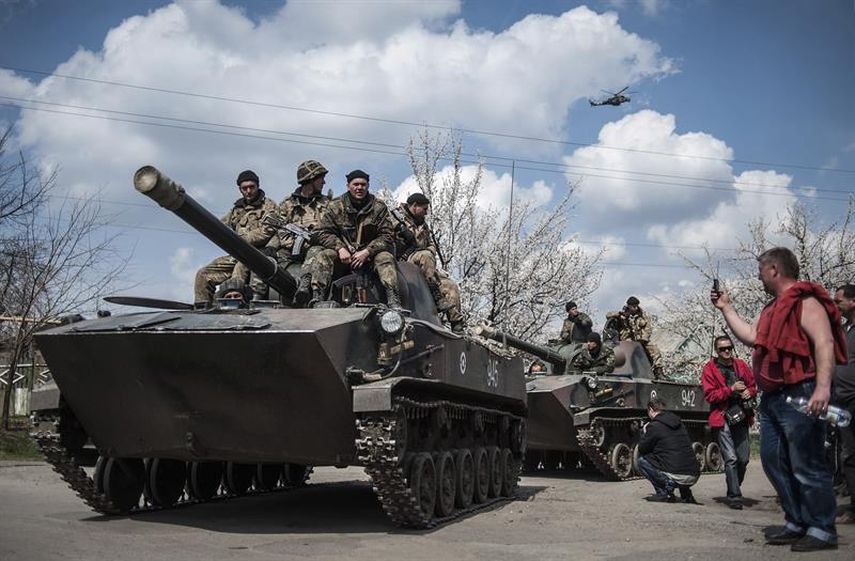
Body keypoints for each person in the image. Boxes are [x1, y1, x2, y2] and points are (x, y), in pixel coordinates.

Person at [711, 247, 848, 552]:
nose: (759, 277)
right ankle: (797, 521)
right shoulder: (772, 308)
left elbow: (824, 342)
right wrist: (726, 308)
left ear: (774, 269)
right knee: (773, 460)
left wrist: (822, 388)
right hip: (773, 397)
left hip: (801, 391)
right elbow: (752, 336)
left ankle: (822, 528)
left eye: (761, 271)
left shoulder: (805, 302)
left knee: (806, 462)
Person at [312, 170, 400, 307]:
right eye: (356, 184)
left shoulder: (378, 207)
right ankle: (317, 297)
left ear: (368, 186)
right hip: (343, 255)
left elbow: (387, 234)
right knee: (324, 255)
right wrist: (340, 248)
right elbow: (324, 232)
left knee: (385, 258)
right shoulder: (336, 205)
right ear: (348, 186)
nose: (359, 188)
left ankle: (393, 299)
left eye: (363, 184)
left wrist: (367, 251)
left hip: (370, 256)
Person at [193, 170, 276, 306]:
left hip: (257, 256)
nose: (248, 191)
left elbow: (267, 231)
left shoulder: (268, 206)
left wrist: (241, 240)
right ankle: (202, 309)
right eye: (244, 188)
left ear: (258, 186)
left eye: (252, 187)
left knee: (239, 272)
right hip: (236, 255)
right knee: (203, 274)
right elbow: (220, 227)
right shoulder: (236, 210)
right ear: (240, 189)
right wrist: (200, 221)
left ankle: (236, 307)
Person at [388, 192, 465, 333]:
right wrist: (401, 232)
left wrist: (428, 250)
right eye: (424, 209)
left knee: (450, 285)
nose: (426, 212)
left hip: (424, 268)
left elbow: (431, 245)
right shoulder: (395, 217)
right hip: (403, 264)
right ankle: (436, 295)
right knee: (425, 256)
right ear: (414, 206)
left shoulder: (423, 225)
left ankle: (457, 324)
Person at [258, 160, 331, 305]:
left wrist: (317, 236)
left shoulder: (327, 204)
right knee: (262, 261)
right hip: (289, 249)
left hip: (315, 248)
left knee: (316, 251)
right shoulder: (287, 204)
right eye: (321, 178)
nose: (324, 182)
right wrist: (271, 247)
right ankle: (258, 298)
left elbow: (332, 228)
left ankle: (304, 286)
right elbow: (279, 230)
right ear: (311, 179)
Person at [701, 335, 758, 510]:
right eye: (722, 349)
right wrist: (731, 389)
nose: (726, 351)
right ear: (716, 351)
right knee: (731, 458)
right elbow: (710, 395)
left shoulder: (741, 365)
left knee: (743, 458)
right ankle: (735, 496)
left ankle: (733, 485)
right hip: (722, 416)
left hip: (741, 415)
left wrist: (749, 392)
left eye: (729, 348)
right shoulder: (710, 369)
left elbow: (753, 385)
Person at [636, 396, 700, 503]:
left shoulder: (654, 426)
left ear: (651, 409)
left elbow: (642, 449)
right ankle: (686, 494)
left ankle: (663, 493)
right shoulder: (679, 423)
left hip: (677, 477)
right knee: (676, 454)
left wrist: (644, 432)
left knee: (642, 461)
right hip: (693, 475)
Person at [832, 284, 855, 525]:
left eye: (838, 301)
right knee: (849, 454)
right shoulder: (844, 330)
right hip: (843, 400)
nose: (835, 305)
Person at [607, 296, 664, 378]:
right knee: (627, 347)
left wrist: (643, 339)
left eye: (636, 305)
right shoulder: (623, 314)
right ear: (629, 306)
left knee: (654, 349)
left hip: (641, 339)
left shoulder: (643, 315)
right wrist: (620, 314)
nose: (635, 308)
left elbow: (648, 330)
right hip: (627, 339)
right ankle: (626, 370)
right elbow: (608, 315)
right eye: (633, 306)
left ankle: (658, 371)